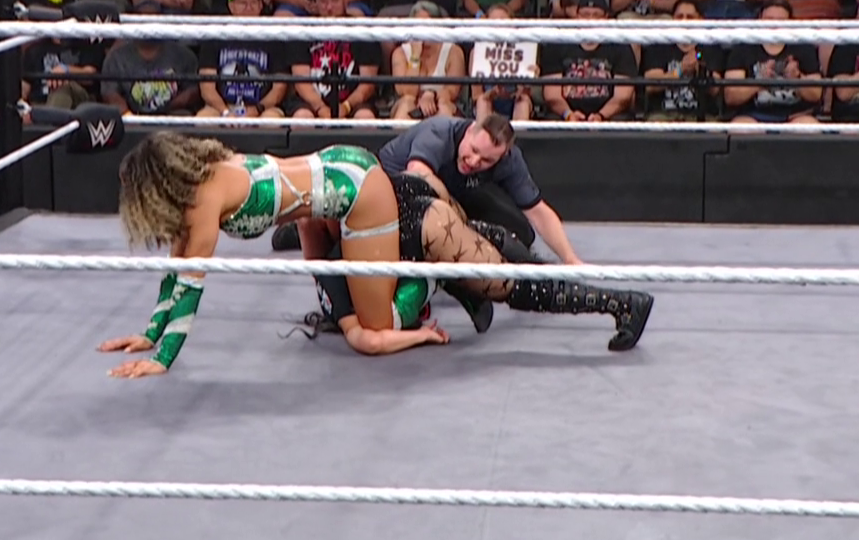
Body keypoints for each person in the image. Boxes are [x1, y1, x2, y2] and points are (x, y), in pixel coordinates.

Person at [104, 133, 651, 374]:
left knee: (393, 322)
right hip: (345, 181)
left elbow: (192, 283)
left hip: (365, 197)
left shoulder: (203, 200)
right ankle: (442, 264)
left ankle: (621, 303)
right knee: (478, 259)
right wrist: (149, 334)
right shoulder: (203, 178)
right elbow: (177, 268)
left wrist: (162, 359)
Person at [378, 111, 585, 264]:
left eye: (487, 160)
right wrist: (459, 226)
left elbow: (538, 211)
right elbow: (418, 178)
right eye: (474, 150)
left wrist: (571, 259)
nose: (474, 161)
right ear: (469, 131)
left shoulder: (509, 160)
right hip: (397, 191)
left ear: (501, 156)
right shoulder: (439, 132)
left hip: (455, 191)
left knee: (521, 233)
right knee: (447, 233)